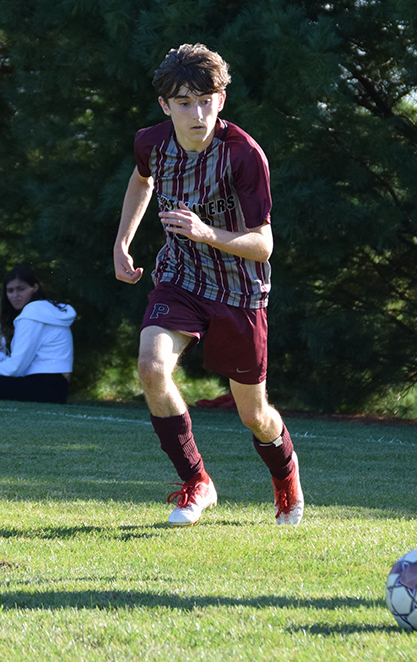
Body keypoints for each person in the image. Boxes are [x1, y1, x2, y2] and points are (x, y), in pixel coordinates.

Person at [113, 43, 304, 527]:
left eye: (205, 101)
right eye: (184, 103)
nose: (196, 114)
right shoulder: (151, 143)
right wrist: (122, 242)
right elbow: (141, 180)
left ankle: (286, 476)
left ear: (221, 99)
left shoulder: (244, 154)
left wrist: (205, 232)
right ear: (165, 105)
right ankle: (197, 481)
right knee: (151, 367)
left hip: (240, 291)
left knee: (253, 414)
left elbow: (263, 246)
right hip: (179, 278)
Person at [0, 265, 76, 404]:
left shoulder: (33, 313)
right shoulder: (45, 309)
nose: (15, 296)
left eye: (21, 289)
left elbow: (15, 368)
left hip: (45, 385)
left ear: (34, 287)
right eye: (10, 290)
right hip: (57, 387)